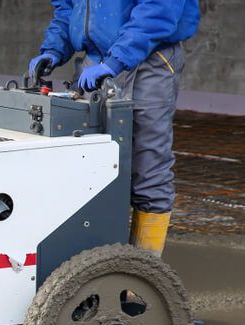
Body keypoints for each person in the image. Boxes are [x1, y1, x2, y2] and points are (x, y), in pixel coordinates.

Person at [28, 0, 200, 256]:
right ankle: (90, 268)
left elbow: (158, 10)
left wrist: (116, 61)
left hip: (148, 60)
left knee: (148, 167)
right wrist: (53, 48)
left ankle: (143, 276)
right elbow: (66, 9)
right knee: (88, 166)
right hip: (94, 64)